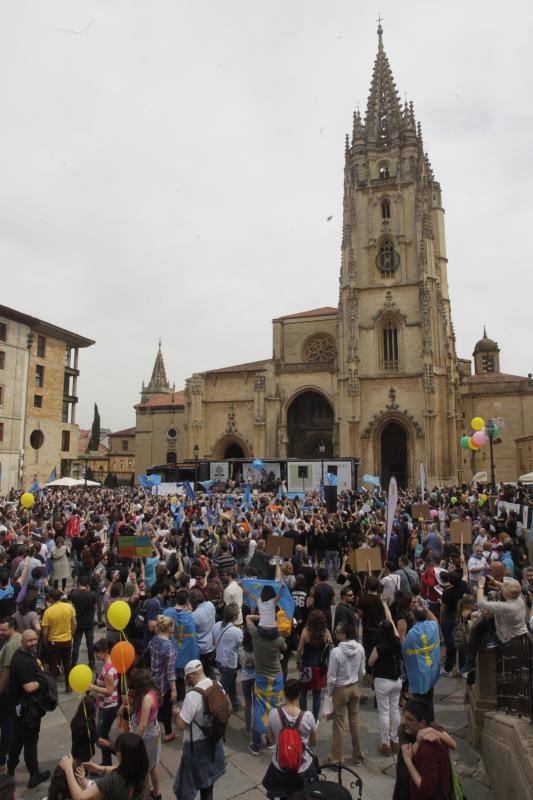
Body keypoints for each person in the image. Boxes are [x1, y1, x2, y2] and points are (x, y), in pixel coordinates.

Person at [172, 659, 227, 800]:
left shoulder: (192, 696)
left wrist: (177, 713)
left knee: (184, 790)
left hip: (196, 747)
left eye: (187, 679)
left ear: (190, 676)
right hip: (214, 740)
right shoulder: (218, 685)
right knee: (207, 784)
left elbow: (181, 725)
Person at [7, 629, 51, 788]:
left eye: (34, 639)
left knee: (17, 739)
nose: (33, 643)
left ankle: (10, 769)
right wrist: (44, 680)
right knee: (30, 741)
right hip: (26, 710)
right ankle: (34, 775)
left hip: (20, 709)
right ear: (22, 642)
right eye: (29, 641)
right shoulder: (22, 661)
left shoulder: (25, 655)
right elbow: (29, 687)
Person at [262, 678, 318, 798]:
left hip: (279, 767)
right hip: (303, 768)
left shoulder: (273, 714)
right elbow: (313, 742)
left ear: (284, 693)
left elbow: (271, 741)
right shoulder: (308, 717)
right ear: (300, 694)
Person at [59, 732, 149, 800]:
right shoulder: (142, 770)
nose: (117, 753)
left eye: (118, 751)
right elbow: (122, 769)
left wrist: (68, 769)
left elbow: (80, 797)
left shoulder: (113, 781)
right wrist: (99, 769)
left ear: (121, 755)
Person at [246, 612, 286, 755]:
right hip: (276, 678)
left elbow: (248, 618)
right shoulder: (278, 640)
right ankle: (271, 740)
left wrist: (261, 617)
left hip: (261, 678)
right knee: (276, 708)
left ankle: (256, 744)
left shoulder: (256, 635)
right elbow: (285, 648)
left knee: (260, 709)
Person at [327, 620, 366, 766]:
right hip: (354, 687)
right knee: (355, 723)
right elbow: (362, 671)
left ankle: (337, 758)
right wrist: (358, 684)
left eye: (337, 631)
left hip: (340, 689)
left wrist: (330, 694)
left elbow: (331, 677)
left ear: (344, 634)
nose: (335, 633)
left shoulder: (336, 652)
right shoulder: (360, 648)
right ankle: (358, 756)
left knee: (339, 725)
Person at [398, 700, 452, 800]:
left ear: (422, 723)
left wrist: (432, 731)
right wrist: (418, 740)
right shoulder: (403, 729)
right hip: (407, 784)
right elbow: (408, 753)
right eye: (404, 717)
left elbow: (426, 789)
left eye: (409, 719)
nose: (405, 722)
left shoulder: (428, 748)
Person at [367, 620, 403, 756]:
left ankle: (385, 743)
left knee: (384, 712)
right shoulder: (397, 644)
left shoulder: (379, 647)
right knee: (395, 710)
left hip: (382, 681)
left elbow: (370, 662)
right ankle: (395, 739)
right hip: (397, 680)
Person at [402, 604, 440, 723]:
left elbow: (404, 648)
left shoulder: (412, 633)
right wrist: (424, 607)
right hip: (431, 668)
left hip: (419, 673)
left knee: (420, 703)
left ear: (413, 617)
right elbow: (434, 618)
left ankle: (422, 724)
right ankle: (431, 721)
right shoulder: (433, 626)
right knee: (429, 699)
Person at [127, 669, 161, 800]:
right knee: (153, 765)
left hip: (147, 736)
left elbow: (142, 724)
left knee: (144, 770)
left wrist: (132, 740)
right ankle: (157, 794)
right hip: (153, 731)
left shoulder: (147, 698)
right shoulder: (152, 692)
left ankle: (146, 797)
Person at [163, 589, 199, 704]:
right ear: (187, 601)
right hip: (185, 657)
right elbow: (193, 638)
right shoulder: (189, 617)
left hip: (170, 654)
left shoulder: (167, 613)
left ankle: (174, 704)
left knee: (173, 680)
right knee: (183, 681)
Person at [295, 609, 332, 721]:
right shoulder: (326, 632)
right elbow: (331, 648)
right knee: (317, 694)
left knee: (303, 692)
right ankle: (315, 719)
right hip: (319, 667)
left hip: (306, 666)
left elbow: (299, 650)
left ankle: (303, 717)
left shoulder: (306, 631)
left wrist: (298, 662)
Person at [89, 638, 119, 767]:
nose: (96, 655)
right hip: (107, 705)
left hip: (108, 706)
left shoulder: (107, 670)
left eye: (98, 652)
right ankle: (107, 762)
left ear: (105, 652)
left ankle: (120, 754)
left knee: (100, 738)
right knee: (103, 735)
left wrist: (91, 686)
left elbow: (109, 690)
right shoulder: (112, 664)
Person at [148, 615, 177, 742]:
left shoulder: (154, 639)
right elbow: (170, 672)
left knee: (155, 705)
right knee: (166, 707)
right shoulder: (169, 648)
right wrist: (174, 689)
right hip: (163, 682)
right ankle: (168, 733)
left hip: (153, 678)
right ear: (169, 628)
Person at [41, 587, 77, 690]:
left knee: (53, 665)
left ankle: (53, 688)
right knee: (67, 663)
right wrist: (70, 635)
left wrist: (45, 640)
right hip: (67, 640)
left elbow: (44, 631)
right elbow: (74, 623)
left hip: (53, 642)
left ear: (51, 599)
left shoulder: (48, 612)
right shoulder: (69, 607)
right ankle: (68, 685)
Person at [476, 575, 529, 643]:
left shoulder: (506, 607)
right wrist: (494, 582)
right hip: (524, 636)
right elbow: (510, 589)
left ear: (505, 593)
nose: (501, 587)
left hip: (512, 642)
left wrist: (481, 586)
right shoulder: (519, 597)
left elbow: (481, 603)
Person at [212, 603, 243, 712]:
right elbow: (241, 647)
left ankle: (236, 705)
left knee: (231, 685)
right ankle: (216, 710)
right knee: (222, 691)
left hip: (219, 661)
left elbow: (213, 641)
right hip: (229, 664)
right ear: (235, 616)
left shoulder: (216, 625)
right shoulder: (237, 632)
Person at [0, 618, 21, 771]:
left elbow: (6, 672)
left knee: (7, 723)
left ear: (12, 628)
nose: (1, 632)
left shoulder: (12, 644)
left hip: (7, 691)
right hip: (10, 691)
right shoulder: (12, 640)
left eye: (3, 629)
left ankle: (3, 756)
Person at [70, 576, 97, 670]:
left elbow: (72, 608)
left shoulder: (73, 594)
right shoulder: (92, 594)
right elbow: (95, 607)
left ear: (79, 584)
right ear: (87, 585)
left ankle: (73, 664)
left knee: (76, 645)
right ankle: (92, 664)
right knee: (90, 644)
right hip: (89, 622)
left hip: (77, 622)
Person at [190, 588, 216, 678]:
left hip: (201, 648)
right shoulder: (210, 605)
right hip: (211, 645)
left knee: (202, 674)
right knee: (210, 670)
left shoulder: (194, 615)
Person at [70, 695, 97, 763]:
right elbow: (97, 739)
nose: (97, 707)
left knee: (77, 766)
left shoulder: (76, 719)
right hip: (84, 754)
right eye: (95, 706)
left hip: (75, 751)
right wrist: (111, 745)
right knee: (81, 770)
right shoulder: (88, 725)